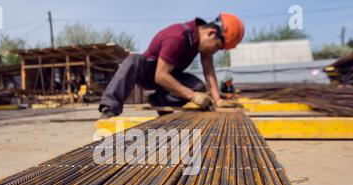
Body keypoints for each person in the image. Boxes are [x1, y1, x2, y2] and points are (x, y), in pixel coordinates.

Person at [99, 12, 245, 118]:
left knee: (198, 87)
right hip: (149, 73)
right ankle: (109, 109)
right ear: (212, 33)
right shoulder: (178, 36)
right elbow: (160, 76)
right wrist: (192, 96)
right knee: (133, 60)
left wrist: (218, 99)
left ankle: (157, 99)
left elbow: (209, 70)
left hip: (170, 75)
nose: (215, 51)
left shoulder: (203, 42)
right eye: (218, 47)